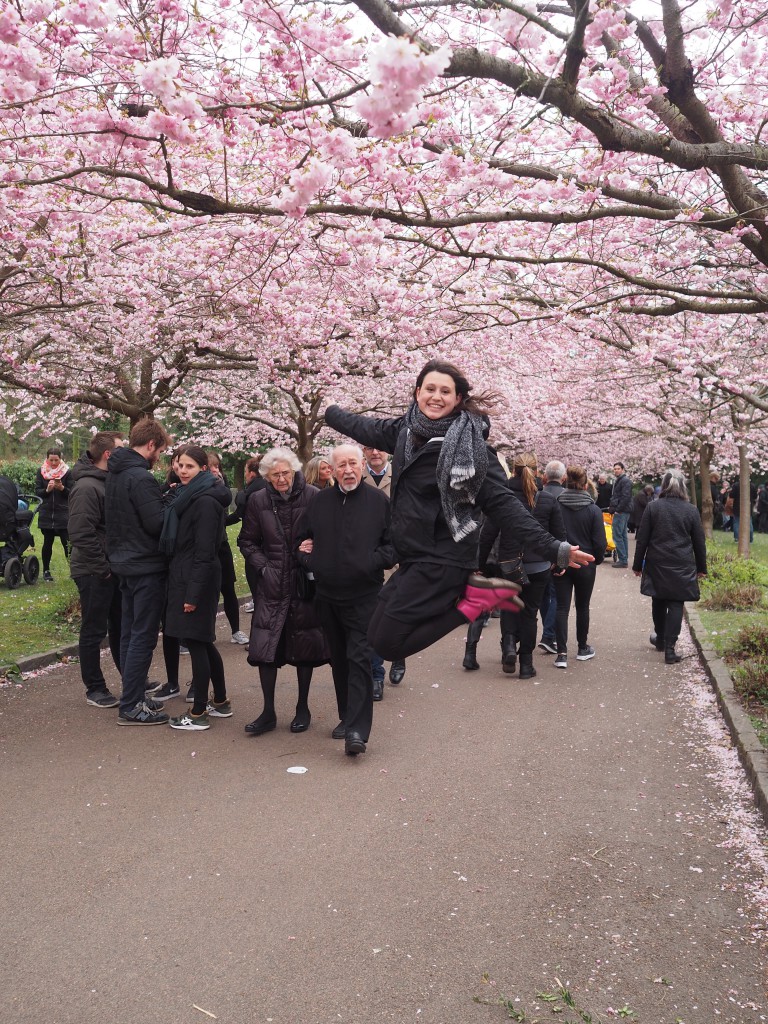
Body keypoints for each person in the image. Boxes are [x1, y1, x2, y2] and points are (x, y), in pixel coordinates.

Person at [324, 359, 594, 667]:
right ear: (417, 393)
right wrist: (331, 411)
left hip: (443, 558)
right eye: (430, 389)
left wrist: (553, 548)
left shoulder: (472, 447)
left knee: (388, 644)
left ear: (457, 399)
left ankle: (472, 605)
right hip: (412, 555)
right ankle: (473, 598)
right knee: (373, 633)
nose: (436, 397)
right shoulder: (406, 430)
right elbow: (366, 428)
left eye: (445, 391)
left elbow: (505, 505)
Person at [296, 444, 395, 757]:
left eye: (353, 463)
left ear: (363, 464)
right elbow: (300, 541)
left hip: (364, 596)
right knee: (338, 659)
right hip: (327, 596)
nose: (348, 470)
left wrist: (368, 561)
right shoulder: (319, 502)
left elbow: (394, 547)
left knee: (359, 659)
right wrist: (310, 560)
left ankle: (357, 730)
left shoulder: (379, 501)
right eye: (342, 465)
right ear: (333, 469)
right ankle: (345, 716)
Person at [239, 448, 329, 736]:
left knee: (305, 646)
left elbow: (326, 534)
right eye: (275, 474)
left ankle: (303, 707)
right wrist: (265, 567)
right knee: (267, 648)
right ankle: (268, 711)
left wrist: (313, 549)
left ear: (294, 471)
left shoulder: (313, 495)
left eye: (285, 473)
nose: (281, 478)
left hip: (303, 582)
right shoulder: (257, 500)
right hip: (272, 584)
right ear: (266, 475)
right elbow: (247, 541)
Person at [159, 445, 234, 730]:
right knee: (202, 640)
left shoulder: (204, 501)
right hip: (185, 574)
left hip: (195, 577)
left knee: (195, 642)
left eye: (189, 466)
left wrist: (193, 594)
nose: (182, 470)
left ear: (203, 468)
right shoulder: (189, 495)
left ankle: (199, 711)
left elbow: (204, 551)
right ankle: (221, 701)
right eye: (179, 465)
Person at [106, 418, 173, 726]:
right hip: (145, 565)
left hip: (123, 562)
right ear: (150, 446)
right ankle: (131, 704)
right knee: (142, 636)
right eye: (160, 450)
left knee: (129, 633)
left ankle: (132, 695)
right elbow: (155, 523)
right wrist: (169, 502)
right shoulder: (140, 478)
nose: (160, 456)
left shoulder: (116, 474)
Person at [478, 452, 567, 679]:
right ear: (538, 472)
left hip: (508, 562)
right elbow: (558, 534)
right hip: (538, 564)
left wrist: (479, 563)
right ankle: (526, 664)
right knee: (529, 613)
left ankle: (509, 646)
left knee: (509, 607)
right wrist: (560, 561)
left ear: (513, 470)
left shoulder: (502, 497)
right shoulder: (547, 499)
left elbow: (487, 534)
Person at [68, 431, 125, 707]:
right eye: (121, 450)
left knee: (120, 625)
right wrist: (102, 569)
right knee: (93, 629)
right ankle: (95, 688)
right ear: (108, 455)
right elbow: (81, 533)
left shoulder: (105, 482)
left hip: (108, 568)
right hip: (94, 571)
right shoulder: (87, 487)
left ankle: (131, 676)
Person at [632, 469, 707, 664]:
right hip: (682, 563)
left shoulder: (653, 507)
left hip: (658, 561)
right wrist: (701, 568)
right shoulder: (691, 510)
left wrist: (637, 564)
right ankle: (670, 649)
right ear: (683, 487)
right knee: (676, 603)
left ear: (664, 486)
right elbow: (699, 542)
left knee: (658, 600)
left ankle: (661, 639)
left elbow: (643, 539)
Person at [362, 444, 407, 694]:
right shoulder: (358, 477)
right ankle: (376, 673)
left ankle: (399, 654)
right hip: (370, 555)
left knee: (398, 613)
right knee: (373, 617)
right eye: (369, 448)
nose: (375, 453)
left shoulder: (401, 475)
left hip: (399, 553)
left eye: (379, 449)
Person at [553, 466, 607, 669]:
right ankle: (583, 647)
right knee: (582, 606)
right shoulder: (593, 510)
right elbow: (600, 542)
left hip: (561, 559)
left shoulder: (556, 505)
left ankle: (561, 653)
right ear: (585, 485)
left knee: (561, 606)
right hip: (586, 562)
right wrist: (597, 559)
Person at [205, 452, 248, 646]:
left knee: (228, 589)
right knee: (207, 593)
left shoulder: (221, 489)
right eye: (210, 466)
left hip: (221, 546)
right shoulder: (201, 489)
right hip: (205, 548)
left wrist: (239, 514)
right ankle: (206, 633)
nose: (215, 470)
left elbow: (223, 520)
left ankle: (236, 630)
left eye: (217, 466)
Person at [230, 456, 267, 612]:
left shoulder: (250, 492)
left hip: (255, 543)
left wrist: (222, 521)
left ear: (252, 473)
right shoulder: (270, 487)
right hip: (271, 542)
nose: (245, 475)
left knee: (255, 577)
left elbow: (239, 513)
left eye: (245, 471)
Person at [537, 460, 566, 656]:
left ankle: (549, 633)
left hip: (537, 550)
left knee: (543, 595)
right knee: (556, 595)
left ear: (545, 477)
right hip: (556, 549)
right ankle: (549, 635)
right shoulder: (565, 497)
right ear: (563, 478)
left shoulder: (537, 495)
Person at [35, 447, 73, 581]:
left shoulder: (67, 472)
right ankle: (46, 571)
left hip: (63, 514)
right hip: (46, 513)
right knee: (47, 543)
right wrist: (47, 490)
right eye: (51, 460)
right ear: (47, 459)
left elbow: (72, 493)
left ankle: (73, 570)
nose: (53, 463)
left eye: (56, 460)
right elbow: (37, 493)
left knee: (67, 543)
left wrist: (62, 488)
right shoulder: (41, 472)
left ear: (60, 459)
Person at [609, 461, 632, 568]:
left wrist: (618, 509)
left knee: (617, 534)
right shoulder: (620, 480)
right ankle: (624, 559)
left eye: (618, 468)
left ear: (623, 469)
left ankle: (623, 560)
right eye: (615, 469)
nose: (616, 470)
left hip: (622, 511)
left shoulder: (625, 481)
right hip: (623, 510)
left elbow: (625, 497)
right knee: (622, 535)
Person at [729, 475, 757, 544]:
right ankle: (750, 539)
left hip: (737, 506)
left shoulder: (736, 485)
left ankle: (737, 538)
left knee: (737, 523)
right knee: (749, 523)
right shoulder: (752, 486)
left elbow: (731, 495)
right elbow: (755, 496)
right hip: (748, 506)